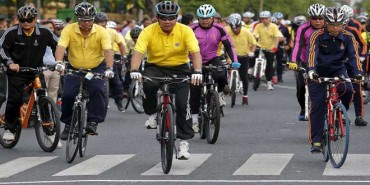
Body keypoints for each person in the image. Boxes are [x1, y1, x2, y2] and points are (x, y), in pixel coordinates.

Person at [129, 1, 202, 160]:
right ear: (157, 18)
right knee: (147, 85)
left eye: (171, 18)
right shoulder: (147, 31)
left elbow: (195, 52)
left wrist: (197, 71)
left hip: (180, 68)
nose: (167, 21)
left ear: (177, 18)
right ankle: (152, 112)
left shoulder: (186, 30)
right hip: (155, 66)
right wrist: (134, 70)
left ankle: (184, 143)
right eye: (163, 18)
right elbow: (138, 52)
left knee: (183, 104)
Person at [306, 7, 363, 153]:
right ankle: (317, 140)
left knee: (349, 90)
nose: (335, 28)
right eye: (331, 24)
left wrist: (358, 73)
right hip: (318, 71)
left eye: (338, 24)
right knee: (317, 105)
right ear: (326, 23)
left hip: (338, 69)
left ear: (344, 23)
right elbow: (312, 53)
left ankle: (340, 111)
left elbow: (353, 56)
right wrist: (311, 71)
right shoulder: (316, 35)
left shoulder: (348, 36)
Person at [54, 2, 114, 140]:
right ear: (77, 18)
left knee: (98, 90)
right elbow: (61, 46)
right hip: (74, 67)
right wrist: (58, 62)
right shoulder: (69, 29)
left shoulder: (101, 31)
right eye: (83, 20)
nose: (87, 23)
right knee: (68, 95)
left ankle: (93, 122)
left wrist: (109, 68)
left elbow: (108, 50)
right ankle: (68, 124)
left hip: (95, 67)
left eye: (89, 20)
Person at [0, 5, 59, 141]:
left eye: (29, 20)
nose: (26, 23)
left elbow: (59, 45)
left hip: (36, 71)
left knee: (43, 98)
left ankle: (49, 130)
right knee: (15, 99)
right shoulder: (11, 32)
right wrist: (10, 63)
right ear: (18, 20)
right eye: (22, 20)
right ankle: (10, 129)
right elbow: (2, 49)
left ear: (35, 19)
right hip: (16, 72)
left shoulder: (44, 32)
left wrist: (60, 60)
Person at [190, 4, 239, 132]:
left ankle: (220, 94)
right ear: (198, 18)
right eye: (202, 18)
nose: (205, 20)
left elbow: (229, 46)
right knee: (195, 88)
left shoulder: (219, 28)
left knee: (222, 75)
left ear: (213, 18)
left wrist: (235, 61)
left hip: (213, 58)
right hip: (195, 60)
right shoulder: (192, 29)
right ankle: (194, 119)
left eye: (208, 18)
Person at [289, 3, 326, 121]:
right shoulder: (303, 28)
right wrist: (293, 61)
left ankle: (335, 110)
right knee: (301, 86)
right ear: (310, 18)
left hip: (323, 62)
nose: (318, 21)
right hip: (305, 61)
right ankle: (303, 109)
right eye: (315, 18)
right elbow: (297, 46)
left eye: (321, 18)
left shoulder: (329, 28)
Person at [94, 12, 127, 112]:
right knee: (89, 81)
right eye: (98, 22)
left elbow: (121, 44)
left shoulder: (112, 32)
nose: (101, 24)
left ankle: (119, 102)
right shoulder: (90, 32)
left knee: (117, 83)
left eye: (103, 22)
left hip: (109, 60)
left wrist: (124, 56)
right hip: (94, 62)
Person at [341, 5, 368, 126]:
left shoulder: (353, 30)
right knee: (341, 89)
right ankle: (340, 114)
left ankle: (359, 116)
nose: (339, 27)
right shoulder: (328, 33)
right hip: (339, 65)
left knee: (357, 89)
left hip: (352, 63)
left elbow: (363, 44)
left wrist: (362, 55)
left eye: (342, 23)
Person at [227, 18, 257, 105]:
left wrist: (252, 52)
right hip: (232, 56)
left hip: (244, 56)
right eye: (233, 28)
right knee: (225, 72)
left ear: (240, 26)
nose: (235, 30)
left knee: (244, 76)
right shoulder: (228, 33)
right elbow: (225, 45)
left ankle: (245, 96)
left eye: (236, 28)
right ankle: (227, 90)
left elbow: (254, 43)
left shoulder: (246, 32)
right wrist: (227, 57)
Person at [252, 10, 283, 90]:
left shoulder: (274, 26)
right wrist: (253, 42)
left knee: (269, 66)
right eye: (262, 19)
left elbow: (277, 38)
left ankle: (269, 82)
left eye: (266, 18)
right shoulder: (258, 26)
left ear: (269, 18)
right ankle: (252, 69)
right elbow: (254, 35)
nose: (264, 20)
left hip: (270, 48)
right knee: (252, 55)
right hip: (260, 46)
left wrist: (275, 48)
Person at [273, 12, 291, 83]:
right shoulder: (271, 26)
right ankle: (270, 76)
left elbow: (288, 37)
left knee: (279, 62)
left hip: (280, 46)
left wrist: (288, 45)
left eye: (279, 19)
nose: (278, 20)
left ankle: (279, 77)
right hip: (271, 45)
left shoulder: (284, 28)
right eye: (277, 19)